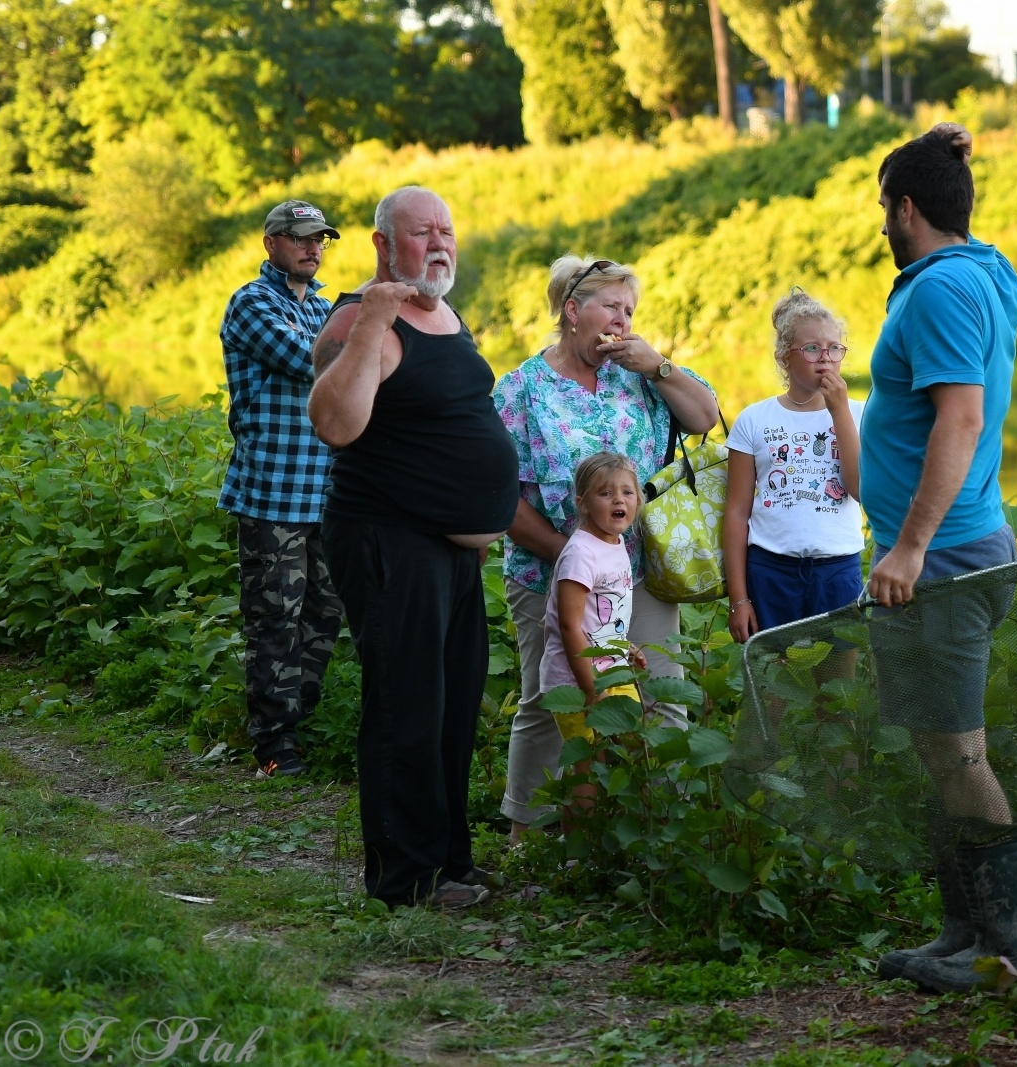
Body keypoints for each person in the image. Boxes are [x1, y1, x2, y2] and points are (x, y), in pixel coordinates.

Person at [859, 126, 1017, 993]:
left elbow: (959, 420)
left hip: (947, 559)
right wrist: (938, 147)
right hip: (952, 553)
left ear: (906, 209)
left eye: (887, 208)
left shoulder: (937, 293)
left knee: (962, 753)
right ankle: (961, 932)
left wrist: (909, 546)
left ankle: (1009, 953)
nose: (883, 226)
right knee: (938, 747)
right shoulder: (985, 271)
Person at [308, 186, 518, 910]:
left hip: (450, 552)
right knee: (407, 705)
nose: (439, 242)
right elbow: (335, 422)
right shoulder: (357, 321)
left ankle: (450, 862)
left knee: (455, 704)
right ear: (383, 245)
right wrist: (371, 317)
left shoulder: (444, 315)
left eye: (447, 230)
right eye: (422, 231)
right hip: (388, 538)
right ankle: (404, 878)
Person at [492, 255, 719, 845]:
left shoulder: (639, 374)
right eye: (612, 307)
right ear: (573, 311)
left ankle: (658, 831)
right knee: (549, 702)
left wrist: (660, 365)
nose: (623, 320)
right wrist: (574, 559)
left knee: (660, 692)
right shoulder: (522, 390)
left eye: (630, 310)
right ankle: (530, 837)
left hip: (639, 573)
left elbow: (706, 417)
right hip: (550, 575)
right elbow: (500, 494)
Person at [218, 199, 346, 780]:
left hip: (326, 492)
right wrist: (369, 343)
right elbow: (311, 361)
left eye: (320, 239)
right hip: (271, 494)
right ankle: (274, 746)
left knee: (324, 615)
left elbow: (352, 366)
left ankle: (299, 723)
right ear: (271, 243)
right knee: (274, 622)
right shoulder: (252, 303)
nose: (313, 248)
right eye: (300, 238)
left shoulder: (325, 307)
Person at [723, 290, 863, 644]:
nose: (826, 359)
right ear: (784, 358)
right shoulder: (754, 419)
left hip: (838, 568)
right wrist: (739, 599)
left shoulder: (859, 414)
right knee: (776, 686)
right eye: (812, 348)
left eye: (834, 348)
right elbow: (737, 513)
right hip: (771, 571)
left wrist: (839, 412)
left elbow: (860, 489)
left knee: (835, 689)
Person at [540, 452, 647, 823]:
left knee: (632, 747)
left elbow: (602, 619)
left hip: (611, 672)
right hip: (576, 680)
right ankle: (578, 859)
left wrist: (623, 646)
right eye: (605, 493)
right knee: (586, 768)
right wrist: (590, 689)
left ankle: (615, 842)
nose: (619, 500)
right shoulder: (581, 554)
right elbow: (569, 626)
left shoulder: (616, 546)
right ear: (582, 502)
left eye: (627, 492)